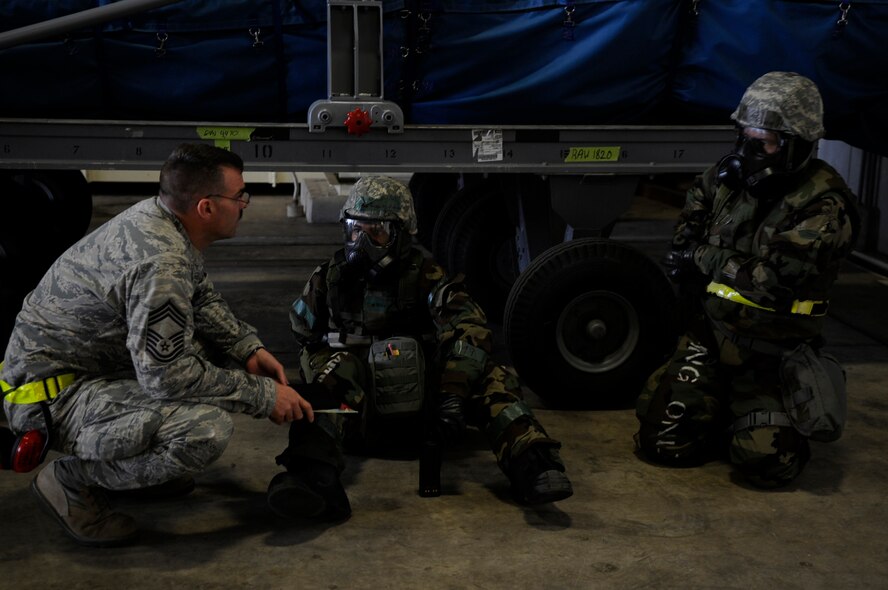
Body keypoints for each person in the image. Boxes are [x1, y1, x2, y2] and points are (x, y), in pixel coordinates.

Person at [0, 143, 314, 547]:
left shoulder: (162, 220)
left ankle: (131, 467)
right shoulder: (160, 264)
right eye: (240, 197)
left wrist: (247, 349)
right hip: (54, 396)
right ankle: (70, 482)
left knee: (214, 359)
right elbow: (166, 376)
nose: (245, 205)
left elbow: (200, 297)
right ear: (206, 207)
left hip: (82, 366)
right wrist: (263, 395)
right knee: (204, 431)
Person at [266, 176, 573, 522]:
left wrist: (452, 394)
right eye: (356, 229)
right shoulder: (330, 278)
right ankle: (311, 478)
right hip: (362, 406)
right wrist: (333, 370)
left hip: (425, 400)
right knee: (333, 376)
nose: (362, 242)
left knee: (491, 376)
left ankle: (533, 464)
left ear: (401, 233)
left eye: (377, 232)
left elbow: (469, 328)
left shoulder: (426, 274)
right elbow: (305, 336)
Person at [635, 72, 859, 488]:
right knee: (662, 443)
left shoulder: (823, 206)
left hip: (774, 352)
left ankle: (757, 415)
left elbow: (771, 279)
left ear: (796, 148)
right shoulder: (726, 180)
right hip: (714, 333)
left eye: (763, 143)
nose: (747, 153)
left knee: (765, 465)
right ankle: (722, 408)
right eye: (743, 138)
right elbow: (683, 239)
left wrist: (704, 257)